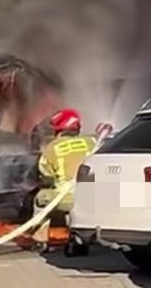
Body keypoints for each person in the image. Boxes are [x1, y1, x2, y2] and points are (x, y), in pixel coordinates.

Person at [30, 108, 96, 252]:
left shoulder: (52, 148)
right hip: (93, 197)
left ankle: (40, 239)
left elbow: (46, 177)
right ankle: (79, 238)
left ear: (59, 130)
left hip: (67, 196)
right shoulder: (92, 142)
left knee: (42, 199)